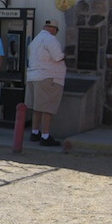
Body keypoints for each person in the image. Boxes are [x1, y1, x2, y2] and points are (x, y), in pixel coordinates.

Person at [25, 18, 66, 146]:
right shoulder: (50, 39)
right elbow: (58, 57)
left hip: (33, 76)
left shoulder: (35, 40)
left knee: (37, 107)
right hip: (47, 77)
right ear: (54, 29)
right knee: (47, 108)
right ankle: (45, 136)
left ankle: (35, 132)